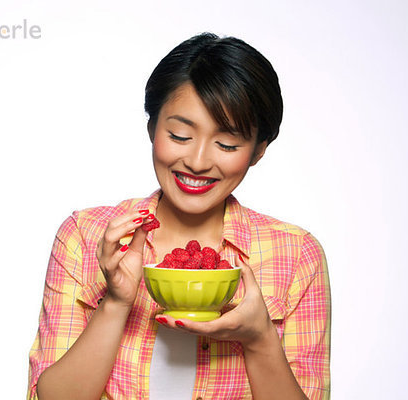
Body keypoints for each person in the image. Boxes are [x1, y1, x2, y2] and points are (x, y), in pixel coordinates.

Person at [28, 32, 331, 400]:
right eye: (179, 135)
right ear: (152, 128)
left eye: (227, 144)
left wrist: (259, 338)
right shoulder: (85, 234)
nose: (199, 162)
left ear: (258, 151)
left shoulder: (296, 255)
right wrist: (116, 302)